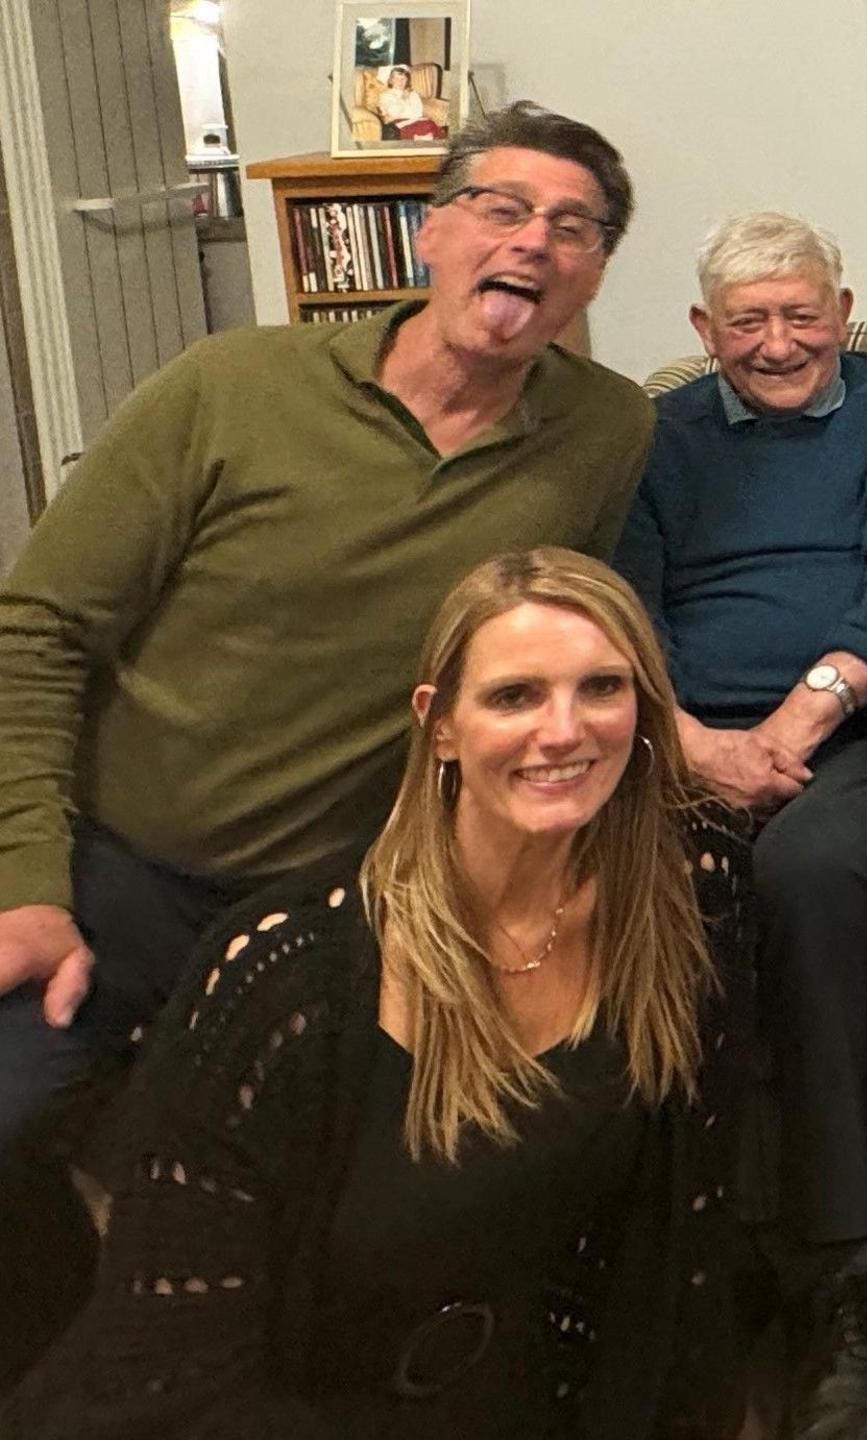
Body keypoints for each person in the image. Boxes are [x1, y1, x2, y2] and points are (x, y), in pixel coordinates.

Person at [0, 100, 649, 1378]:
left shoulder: (605, 429)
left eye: (574, 229)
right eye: (502, 208)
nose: (534, 243)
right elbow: (32, 628)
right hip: (113, 870)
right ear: (432, 230)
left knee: (349, 1196)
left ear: (594, 276)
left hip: (337, 907)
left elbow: (563, 650)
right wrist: (25, 881)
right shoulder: (232, 385)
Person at [2, 548, 752, 1437]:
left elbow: (684, 1254)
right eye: (514, 696)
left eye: (602, 688)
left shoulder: (689, 891)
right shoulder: (285, 978)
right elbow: (173, 1370)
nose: (564, 730)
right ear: (438, 724)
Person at [612, 210, 867, 1440]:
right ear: (704, 332)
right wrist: (694, 746)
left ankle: (840, 1283)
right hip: (679, 739)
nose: (780, 341)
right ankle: (675, 1276)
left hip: (848, 734)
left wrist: (795, 727)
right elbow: (623, 610)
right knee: (640, 898)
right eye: (748, 321)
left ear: (844, 312)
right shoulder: (656, 432)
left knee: (814, 876)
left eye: (803, 314)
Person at [373, 65, 445, 141]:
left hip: (414, 121)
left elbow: (418, 113)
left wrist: (401, 115)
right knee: (396, 132)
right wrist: (403, 99)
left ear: (407, 80)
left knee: (430, 125)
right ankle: (421, 138)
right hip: (397, 125)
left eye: (403, 79)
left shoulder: (413, 94)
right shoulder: (385, 95)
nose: (400, 82)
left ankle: (420, 138)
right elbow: (393, 112)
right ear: (391, 80)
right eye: (397, 78)